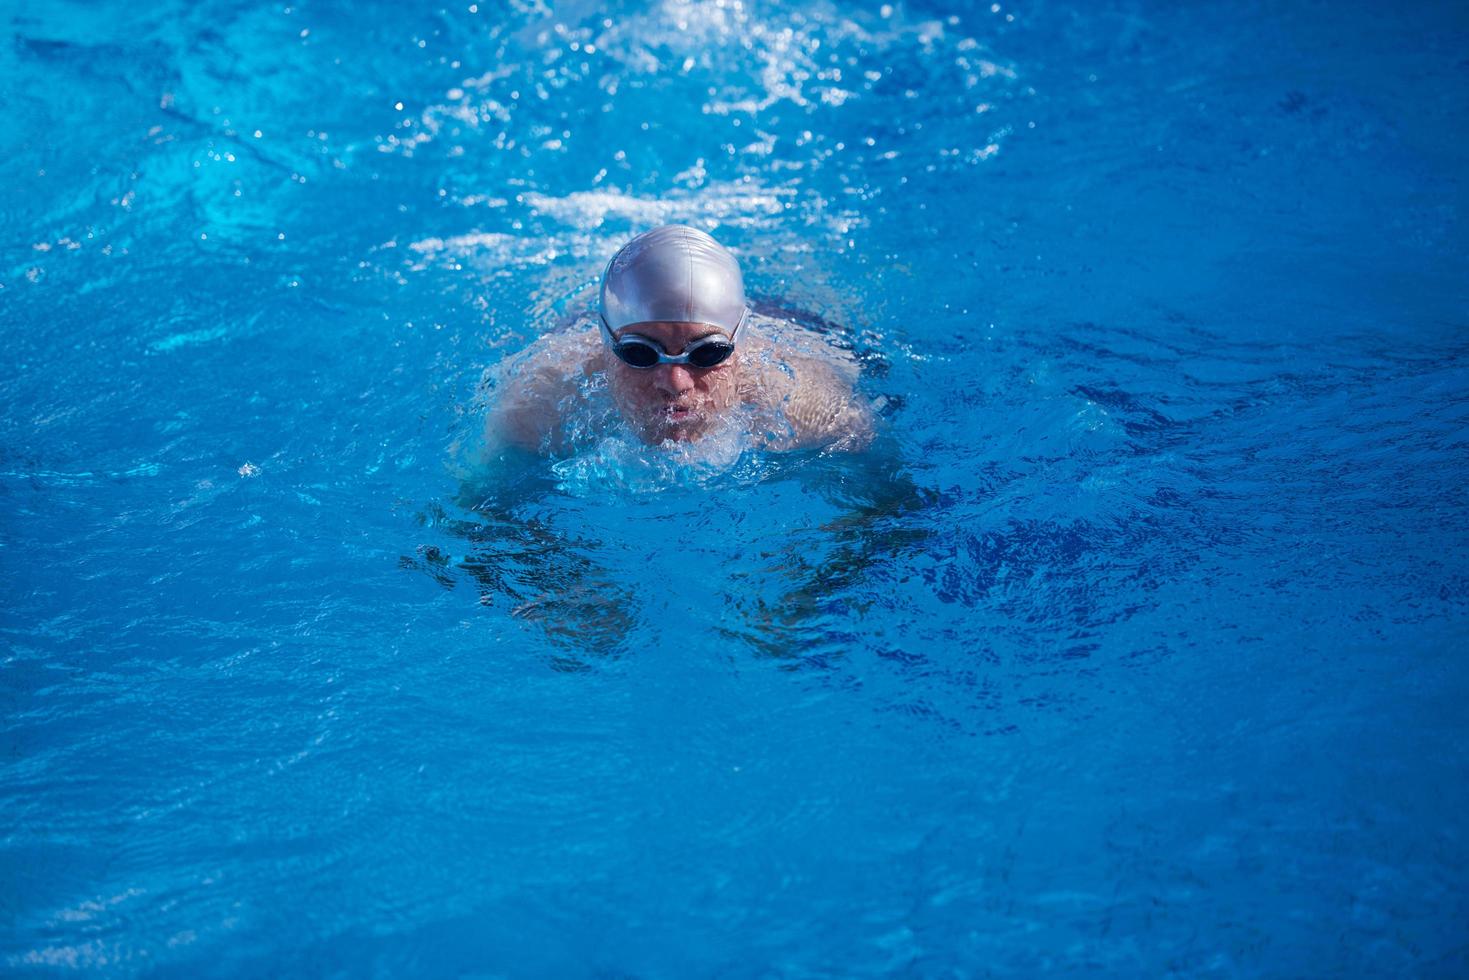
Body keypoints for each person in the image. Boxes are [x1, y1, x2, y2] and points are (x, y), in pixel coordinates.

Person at [485, 225, 874, 455]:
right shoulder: (537, 408)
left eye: (708, 354)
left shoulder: (807, 406)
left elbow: (887, 510)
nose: (674, 383)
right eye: (639, 353)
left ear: (738, 346)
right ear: (604, 344)